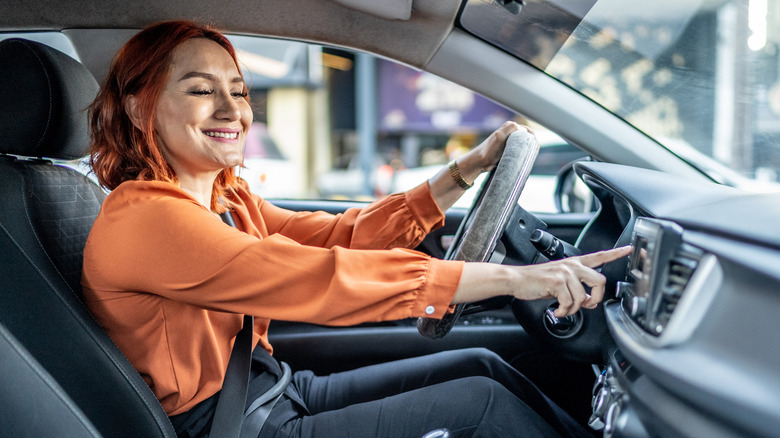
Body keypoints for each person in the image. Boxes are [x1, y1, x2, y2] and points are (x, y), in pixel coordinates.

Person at [81, 20, 630, 438]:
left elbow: (339, 237)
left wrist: (464, 170)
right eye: (202, 90)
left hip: (272, 390)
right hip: (233, 427)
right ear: (138, 108)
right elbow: (319, 276)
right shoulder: (147, 218)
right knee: (479, 406)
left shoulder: (225, 197)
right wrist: (515, 280)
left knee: (481, 365)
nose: (232, 109)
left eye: (239, 90)